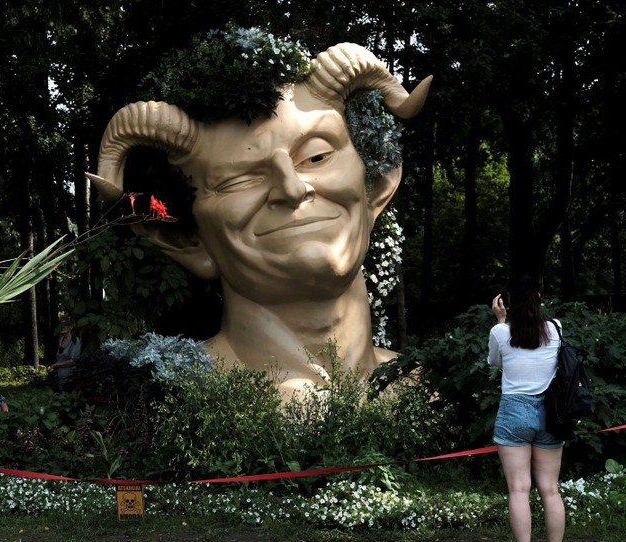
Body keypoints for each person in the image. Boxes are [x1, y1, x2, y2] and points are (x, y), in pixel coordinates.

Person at [86, 28, 432, 398]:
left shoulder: (432, 391)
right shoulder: (174, 400)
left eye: (317, 156)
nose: (292, 189)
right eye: (239, 181)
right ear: (188, 241)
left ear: (375, 188)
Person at [487, 274, 565, 542]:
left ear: (507, 302)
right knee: (550, 489)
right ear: (539, 298)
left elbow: (496, 362)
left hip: (514, 411)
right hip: (549, 412)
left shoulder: (500, 331)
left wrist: (500, 320)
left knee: (519, 488)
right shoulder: (556, 328)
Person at [49, 319, 81, 392]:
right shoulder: (60, 340)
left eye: (65, 325)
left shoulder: (75, 340)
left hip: (69, 376)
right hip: (59, 377)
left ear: (71, 327)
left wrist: (56, 365)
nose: (62, 327)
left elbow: (73, 360)